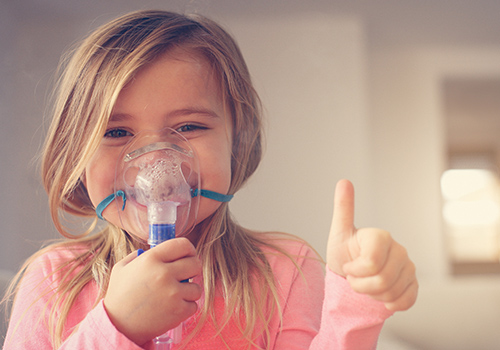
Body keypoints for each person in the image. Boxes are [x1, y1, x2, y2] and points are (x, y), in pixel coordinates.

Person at [2, 10, 418, 350]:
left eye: (188, 127)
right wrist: (117, 327)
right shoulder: (53, 281)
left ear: (237, 143)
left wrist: (356, 301)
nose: (157, 162)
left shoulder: (284, 272)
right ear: (76, 154)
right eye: (116, 133)